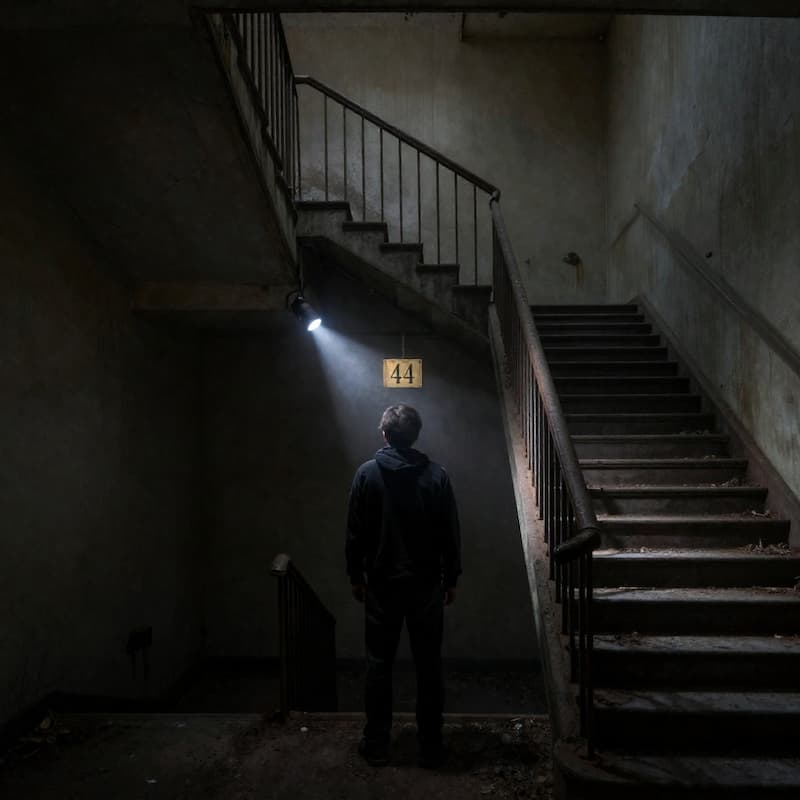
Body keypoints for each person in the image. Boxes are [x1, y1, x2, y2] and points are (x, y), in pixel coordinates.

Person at [345, 404, 461, 768]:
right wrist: (450, 578)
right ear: (415, 436)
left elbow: (355, 532)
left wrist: (356, 576)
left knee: (379, 665)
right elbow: (449, 534)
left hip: (382, 586)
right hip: (425, 585)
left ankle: (377, 743)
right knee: (429, 666)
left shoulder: (366, 475)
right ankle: (430, 746)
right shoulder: (437, 476)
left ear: (384, 434)